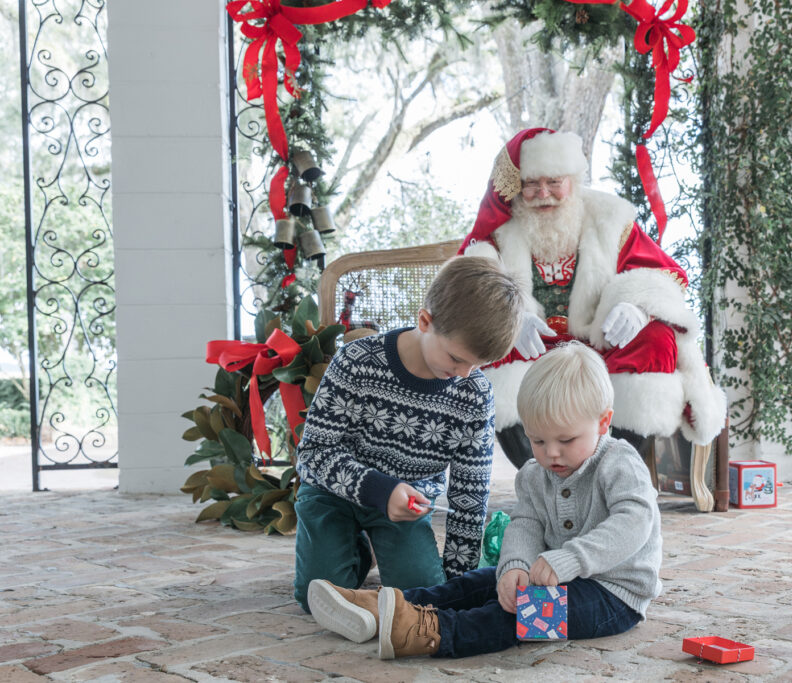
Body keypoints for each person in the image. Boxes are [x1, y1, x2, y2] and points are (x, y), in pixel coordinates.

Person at [304, 341, 663, 660]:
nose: (551, 453)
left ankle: (428, 632)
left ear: (603, 423)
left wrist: (571, 558)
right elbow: (526, 525)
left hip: (613, 595)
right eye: (537, 441)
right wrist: (514, 568)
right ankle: (384, 607)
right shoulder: (536, 475)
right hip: (553, 577)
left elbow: (633, 521)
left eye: (566, 440)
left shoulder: (620, 462)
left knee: (521, 615)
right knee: (476, 583)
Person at [457, 127, 726, 466]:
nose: (544, 193)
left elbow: (662, 275)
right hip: (533, 347)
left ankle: (617, 468)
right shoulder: (498, 233)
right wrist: (508, 318)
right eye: (531, 184)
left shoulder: (611, 219)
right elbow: (471, 289)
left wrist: (637, 308)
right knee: (490, 345)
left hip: (600, 344)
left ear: (573, 180)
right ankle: (539, 475)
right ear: (517, 187)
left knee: (657, 339)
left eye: (554, 181)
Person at [292, 256, 525, 612]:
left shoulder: (474, 394)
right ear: (425, 321)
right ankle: (353, 550)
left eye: (477, 366)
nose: (464, 374)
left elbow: (469, 498)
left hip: (405, 507)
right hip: (332, 494)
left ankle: (377, 546)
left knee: (421, 596)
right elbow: (312, 453)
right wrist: (379, 489)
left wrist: (456, 585)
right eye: (456, 359)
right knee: (317, 598)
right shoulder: (357, 362)